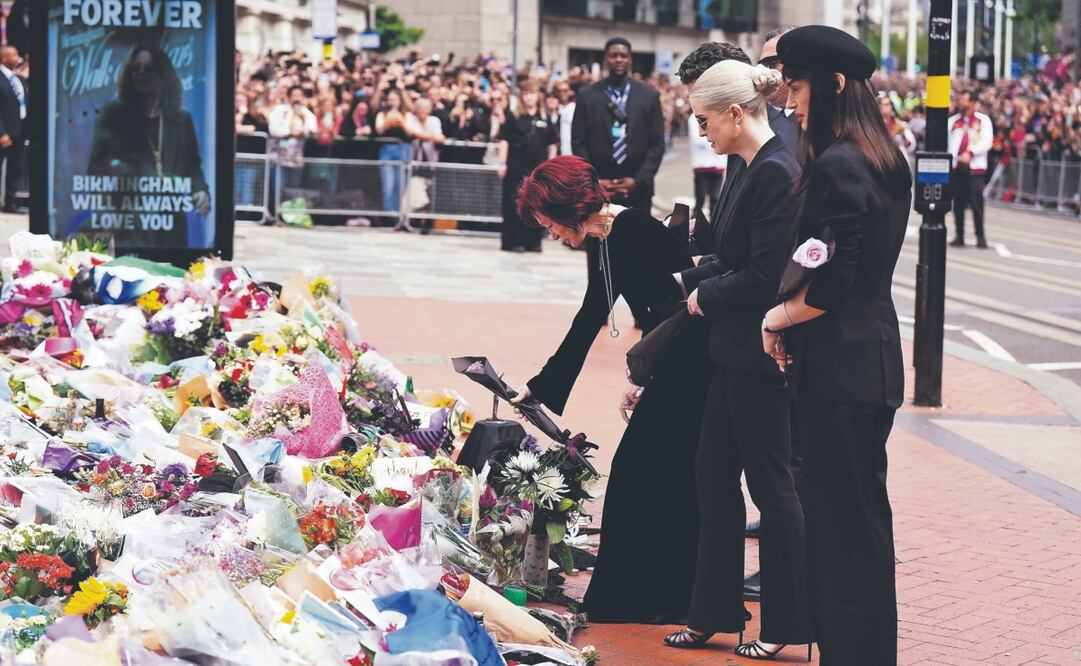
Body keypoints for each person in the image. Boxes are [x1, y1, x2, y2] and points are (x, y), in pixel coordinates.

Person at [763, 25, 913, 664]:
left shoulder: (840, 162)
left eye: (796, 87)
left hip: (841, 372)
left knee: (841, 533)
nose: (790, 102)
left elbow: (830, 285)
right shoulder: (881, 156)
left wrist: (777, 317)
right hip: (866, 365)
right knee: (860, 526)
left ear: (834, 84)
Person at [510, 155, 709, 625]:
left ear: (567, 208)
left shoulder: (630, 231)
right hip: (677, 361)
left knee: (640, 475)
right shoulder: (608, 237)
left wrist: (644, 378)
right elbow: (590, 315)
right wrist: (540, 388)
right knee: (663, 479)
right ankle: (655, 598)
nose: (552, 235)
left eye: (549, 224)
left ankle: (640, 600)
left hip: (694, 363)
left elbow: (672, 311)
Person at [662, 61, 812, 660]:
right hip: (733, 352)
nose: (702, 133)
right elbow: (730, 254)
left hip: (761, 354)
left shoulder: (777, 170)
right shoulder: (748, 166)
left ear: (734, 112)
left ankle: (783, 623)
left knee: (772, 490)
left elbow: (766, 275)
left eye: (703, 121)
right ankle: (714, 612)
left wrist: (703, 295)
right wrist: (688, 278)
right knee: (712, 475)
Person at [87, 43, 210, 248]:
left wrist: (200, 190)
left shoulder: (181, 120)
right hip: (129, 218)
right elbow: (96, 167)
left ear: (163, 75)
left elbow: (192, 166)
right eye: (136, 69)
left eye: (149, 69)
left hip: (170, 220)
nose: (141, 74)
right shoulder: (114, 117)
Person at [571, 37, 665, 212]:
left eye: (623, 55)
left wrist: (638, 180)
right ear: (606, 59)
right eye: (613, 55)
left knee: (637, 238)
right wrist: (594, 181)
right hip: (598, 189)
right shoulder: (586, 96)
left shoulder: (649, 96)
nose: (619, 60)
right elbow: (578, 142)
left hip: (638, 189)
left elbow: (657, 144)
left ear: (630, 60)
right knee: (599, 239)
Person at [496, 82, 557, 252]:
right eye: (526, 93)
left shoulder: (545, 119)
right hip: (515, 167)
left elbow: (552, 144)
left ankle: (533, 242)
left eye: (532, 93)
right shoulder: (513, 116)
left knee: (536, 205)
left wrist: (551, 166)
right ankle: (513, 241)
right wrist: (502, 163)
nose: (529, 96)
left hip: (538, 169)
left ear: (538, 96)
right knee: (513, 203)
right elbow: (504, 140)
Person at [948, 90, 993, 248]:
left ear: (973, 103)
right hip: (957, 167)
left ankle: (980, 236)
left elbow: (987, 141)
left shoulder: (983, 120)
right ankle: (959, 235)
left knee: (976, 204)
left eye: (964, 100)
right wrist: (955, 158)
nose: (961, 103)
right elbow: (950, 142)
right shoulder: (953, 121)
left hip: (975, 168)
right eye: (960, 100)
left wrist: (971, 152)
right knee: (958, 203)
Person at [373, 87, 414, 218]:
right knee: (388, 186)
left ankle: (399, 215)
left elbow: (410, 132)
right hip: (387, 151)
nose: (392, 102)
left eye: (395, 99)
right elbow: (379, 130)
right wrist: (388, 121)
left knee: (401, 186)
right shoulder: (382, 114)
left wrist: (400, 121)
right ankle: (389, 215)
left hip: (404, 150)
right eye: (390, 99)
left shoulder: (406, 114)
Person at [0, 46, 26, 214]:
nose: (19, 58)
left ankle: (11, 202)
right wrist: (2, 132)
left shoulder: (16, 78)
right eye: (15, 55)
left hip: (20, 130)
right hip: (4, 132)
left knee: (15, 168)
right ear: (5, 59)